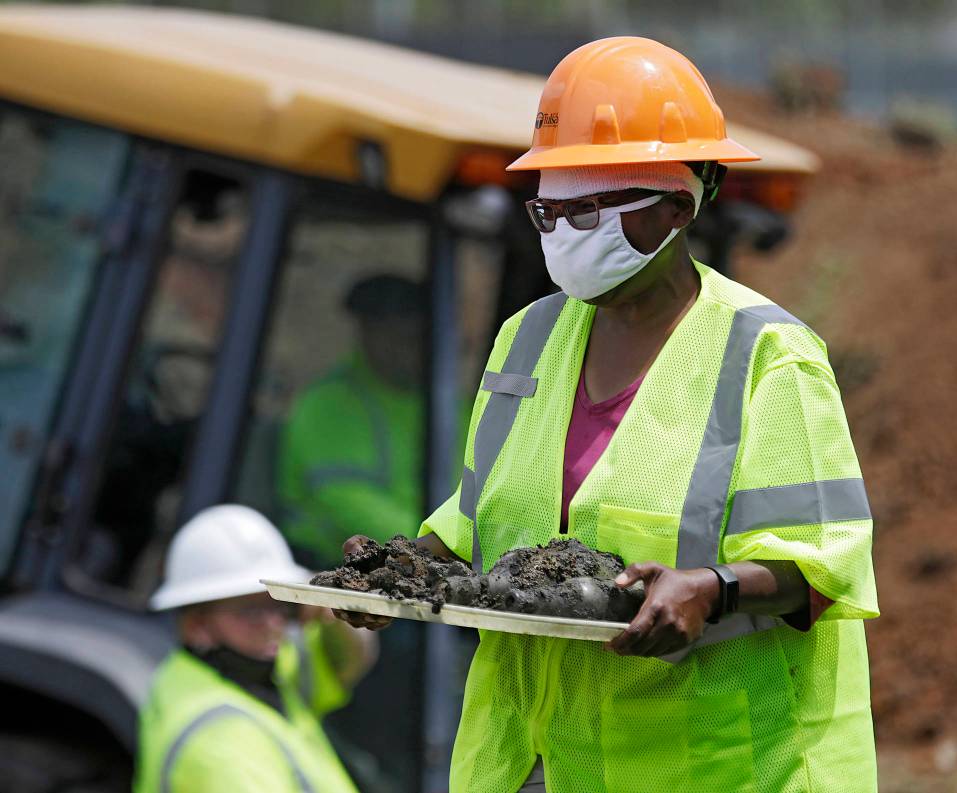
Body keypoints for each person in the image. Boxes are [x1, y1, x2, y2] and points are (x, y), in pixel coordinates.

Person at [339, 37, 879, 793]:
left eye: (586, 208)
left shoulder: (768, 357)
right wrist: (398, 571)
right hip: (529, 762)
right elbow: (477, 524)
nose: (561, 233)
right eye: (546, 210)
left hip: (711, 769)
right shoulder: (524, 341)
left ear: (678, 205)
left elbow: (822, 566)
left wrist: (709, 588)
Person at [134, 504, 375, 793]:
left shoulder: (251, 667)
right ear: (195, 624)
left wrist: (334, 611)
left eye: (279, 606)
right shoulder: (221, 746)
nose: (274, 624)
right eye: (251, 612)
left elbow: (351, 663)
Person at [278, 274, 426, 567]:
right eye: (391, 333)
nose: (404, 346)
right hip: (332, 576)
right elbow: (345, 502)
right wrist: (435, 547)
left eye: (414, 335)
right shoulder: (331, 404)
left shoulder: (454, 406)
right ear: (367, 332)